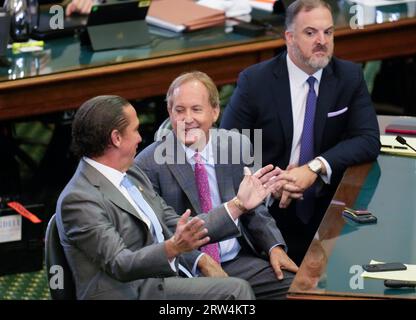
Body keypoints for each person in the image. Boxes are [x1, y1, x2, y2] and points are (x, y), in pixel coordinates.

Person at [55, 95, 279, 300]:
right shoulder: (79, 199)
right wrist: (173, 247)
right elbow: (120, 264)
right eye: (135, 130)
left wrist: (238, 205)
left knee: (237, 287)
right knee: (235, 292)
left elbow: (174, 223)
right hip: (130, 293)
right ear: (116, 138)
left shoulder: (131, 173)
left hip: (163, 279)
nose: (140, 138)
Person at [220, 0, 380, 265]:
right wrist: (270, 182)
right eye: (311, 33)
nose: (322, 41)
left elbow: (368, 139)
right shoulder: (255, 81)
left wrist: (313, 168)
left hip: (330, 204)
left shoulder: (348, 76)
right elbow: (226, 148)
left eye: (328, 32)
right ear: (289, 37)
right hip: (271, 207)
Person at [134, 71, 299, 300]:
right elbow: (160, 232)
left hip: (238, 260)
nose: (187, 118)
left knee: (299, 289)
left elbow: (254, 207)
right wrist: (202, 262)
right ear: (170, 113)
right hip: (187, 271)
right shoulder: (148, 164)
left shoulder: (236, 145)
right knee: (234, 297)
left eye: (196, 109)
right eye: (179, 110)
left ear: (215, 111)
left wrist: (274, 247)